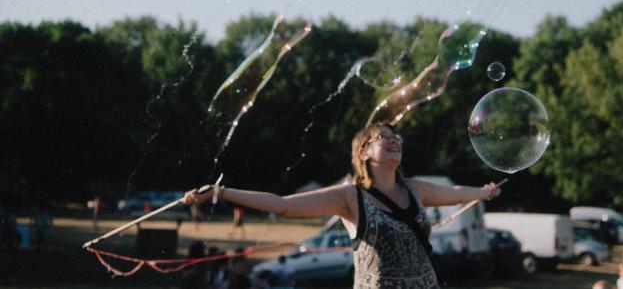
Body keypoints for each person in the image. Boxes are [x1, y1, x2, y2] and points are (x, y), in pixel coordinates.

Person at [184, 123, 502, 289]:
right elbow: (280, 205)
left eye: (396, 138)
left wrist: (484, 192)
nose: (394, 141)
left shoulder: (416, 189)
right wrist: (220, 191)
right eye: (383, 137)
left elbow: (458, 192)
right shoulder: (350, 197)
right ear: (363, 152)